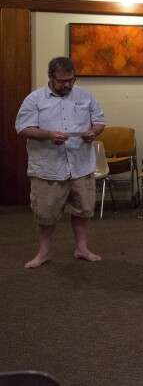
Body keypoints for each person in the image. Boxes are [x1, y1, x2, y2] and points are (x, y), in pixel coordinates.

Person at [15, 56, 106, 269]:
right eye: (62, 81)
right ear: (50, 77)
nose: (67, 85)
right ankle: (43, 253)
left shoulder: (85, 96)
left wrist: (93, 132)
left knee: (83, 210)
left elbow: (100, 121)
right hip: (49, 167)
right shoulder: (34, 99)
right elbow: (23, 128)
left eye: (71, 80)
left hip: (81, 165)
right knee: (45, 213)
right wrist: (47, 135)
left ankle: (81, 248)